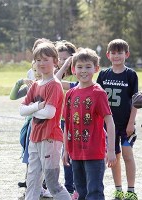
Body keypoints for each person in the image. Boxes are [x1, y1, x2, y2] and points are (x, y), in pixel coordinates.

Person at [62, 48, 117, 200]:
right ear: (73, 69)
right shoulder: (70, 94)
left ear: (96, 69)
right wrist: (66, 150)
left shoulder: (98, 93)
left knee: (94, 192)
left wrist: (111, 150)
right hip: (75, 152)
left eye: (88, 66)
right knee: (81, 192)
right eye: (79, 67)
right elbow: (67, 124)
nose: (83, 71)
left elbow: (110, 122)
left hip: (95, 152)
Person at [19, 42, 71, 200]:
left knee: (52, 184)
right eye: (38, 60)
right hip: (34, 138)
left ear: (55, 61)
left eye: (45, 59)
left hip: (50, 140)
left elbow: (49, 113)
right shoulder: (35, 84)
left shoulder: (55, 85)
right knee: (32, 180)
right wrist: (37, 106)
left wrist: (32, 109)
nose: (41, 63)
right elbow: (22, 110)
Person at [96, 39, 138, 200]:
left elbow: (136, 101)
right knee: (114, 157)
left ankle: (131, 190)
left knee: (128, 155)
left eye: (120, 53)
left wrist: (131, 122)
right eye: (113, 53)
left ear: (126, 54)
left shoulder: (131, 74)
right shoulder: (103, 74)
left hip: (125, 124)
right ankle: (118, 189)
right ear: (108, 55)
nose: (116, 56)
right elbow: (97, 98)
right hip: (108, 125)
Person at [11, 61, 52, 198]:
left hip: (45, 126)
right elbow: (13, 96)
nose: (37, 73)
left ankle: (43, 185)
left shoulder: (50, 85)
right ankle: (31, 184)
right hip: (29, 126)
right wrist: (20, 81)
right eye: (34, 71)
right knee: (30, 157)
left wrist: (33, 109)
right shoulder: (32, 86)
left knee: (46, 158)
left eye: (39, 70)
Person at [55, 40, 79, 199]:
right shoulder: (56, 75)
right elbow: (55, 80)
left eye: (66, 58)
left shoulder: (78, 74)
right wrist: (63, 65)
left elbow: (58, 82)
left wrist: (71, 62)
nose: (63, 61)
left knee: (72, 153)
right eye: (60, 58)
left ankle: (75, 186)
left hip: (74, 121)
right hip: (60, 121)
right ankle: (68, 185)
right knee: (62, 154)